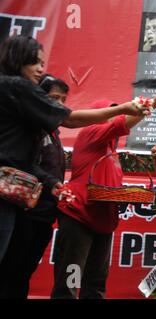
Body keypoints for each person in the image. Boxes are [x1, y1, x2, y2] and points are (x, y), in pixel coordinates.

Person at [0, 35, 150, 266]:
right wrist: (130, 108)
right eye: (36, 62)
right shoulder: (18, 87)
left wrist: (51, 183)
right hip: (71, 211)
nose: (41, 69)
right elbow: (71, 119)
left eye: (43, 63)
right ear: (19, 59)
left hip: (28, 196)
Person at [51, 90, 156, 299]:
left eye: (115, 115)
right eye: (109, 114)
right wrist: (153, 103)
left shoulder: (112, 152)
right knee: (71, 279)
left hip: (103, 221)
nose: (115, 119)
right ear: (95, 115)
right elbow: (121, 124)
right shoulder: (90, 132)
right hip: (79, 215)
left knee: (96, 281)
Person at [0, 74, 70, 298]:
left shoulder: (53, 131)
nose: (58, 104)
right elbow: (25, 163)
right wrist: (51, 182)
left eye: (63, 99)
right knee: (10, 271)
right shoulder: (30, 128)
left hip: (45, 213)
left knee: (25, 271)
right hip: (24, 210)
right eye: (53, 97)